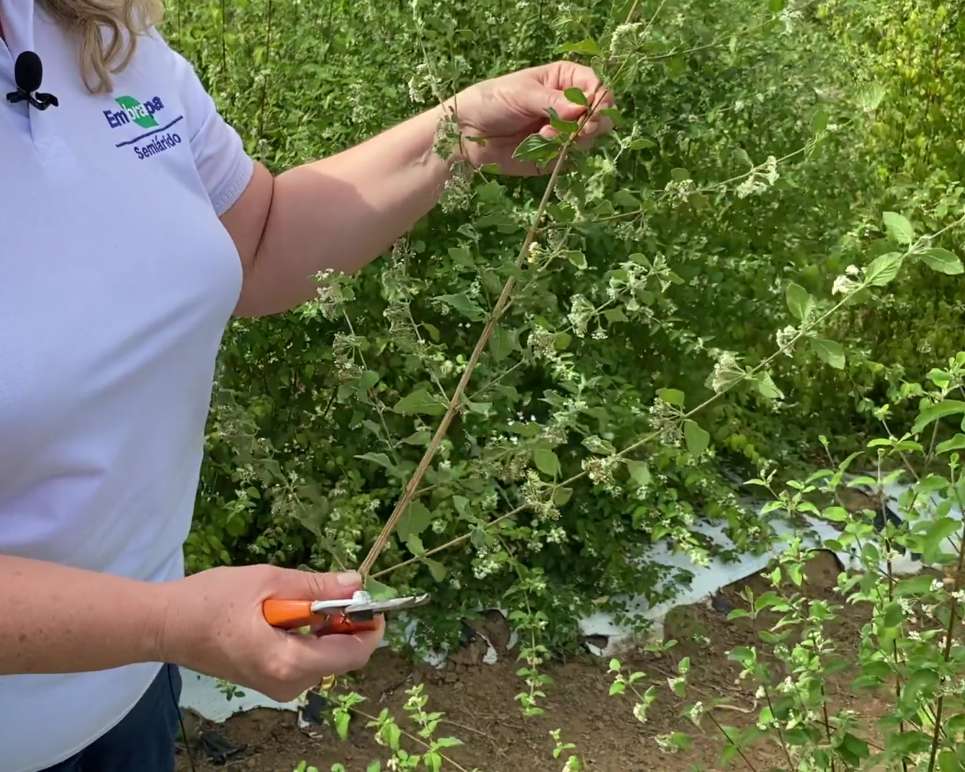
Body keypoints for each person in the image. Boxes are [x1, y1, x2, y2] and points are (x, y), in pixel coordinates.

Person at [0, 0, 614, 768]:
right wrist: (168, 623)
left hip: (122, 692)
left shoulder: (91, 33)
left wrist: (457, 134)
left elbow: (259, 240)